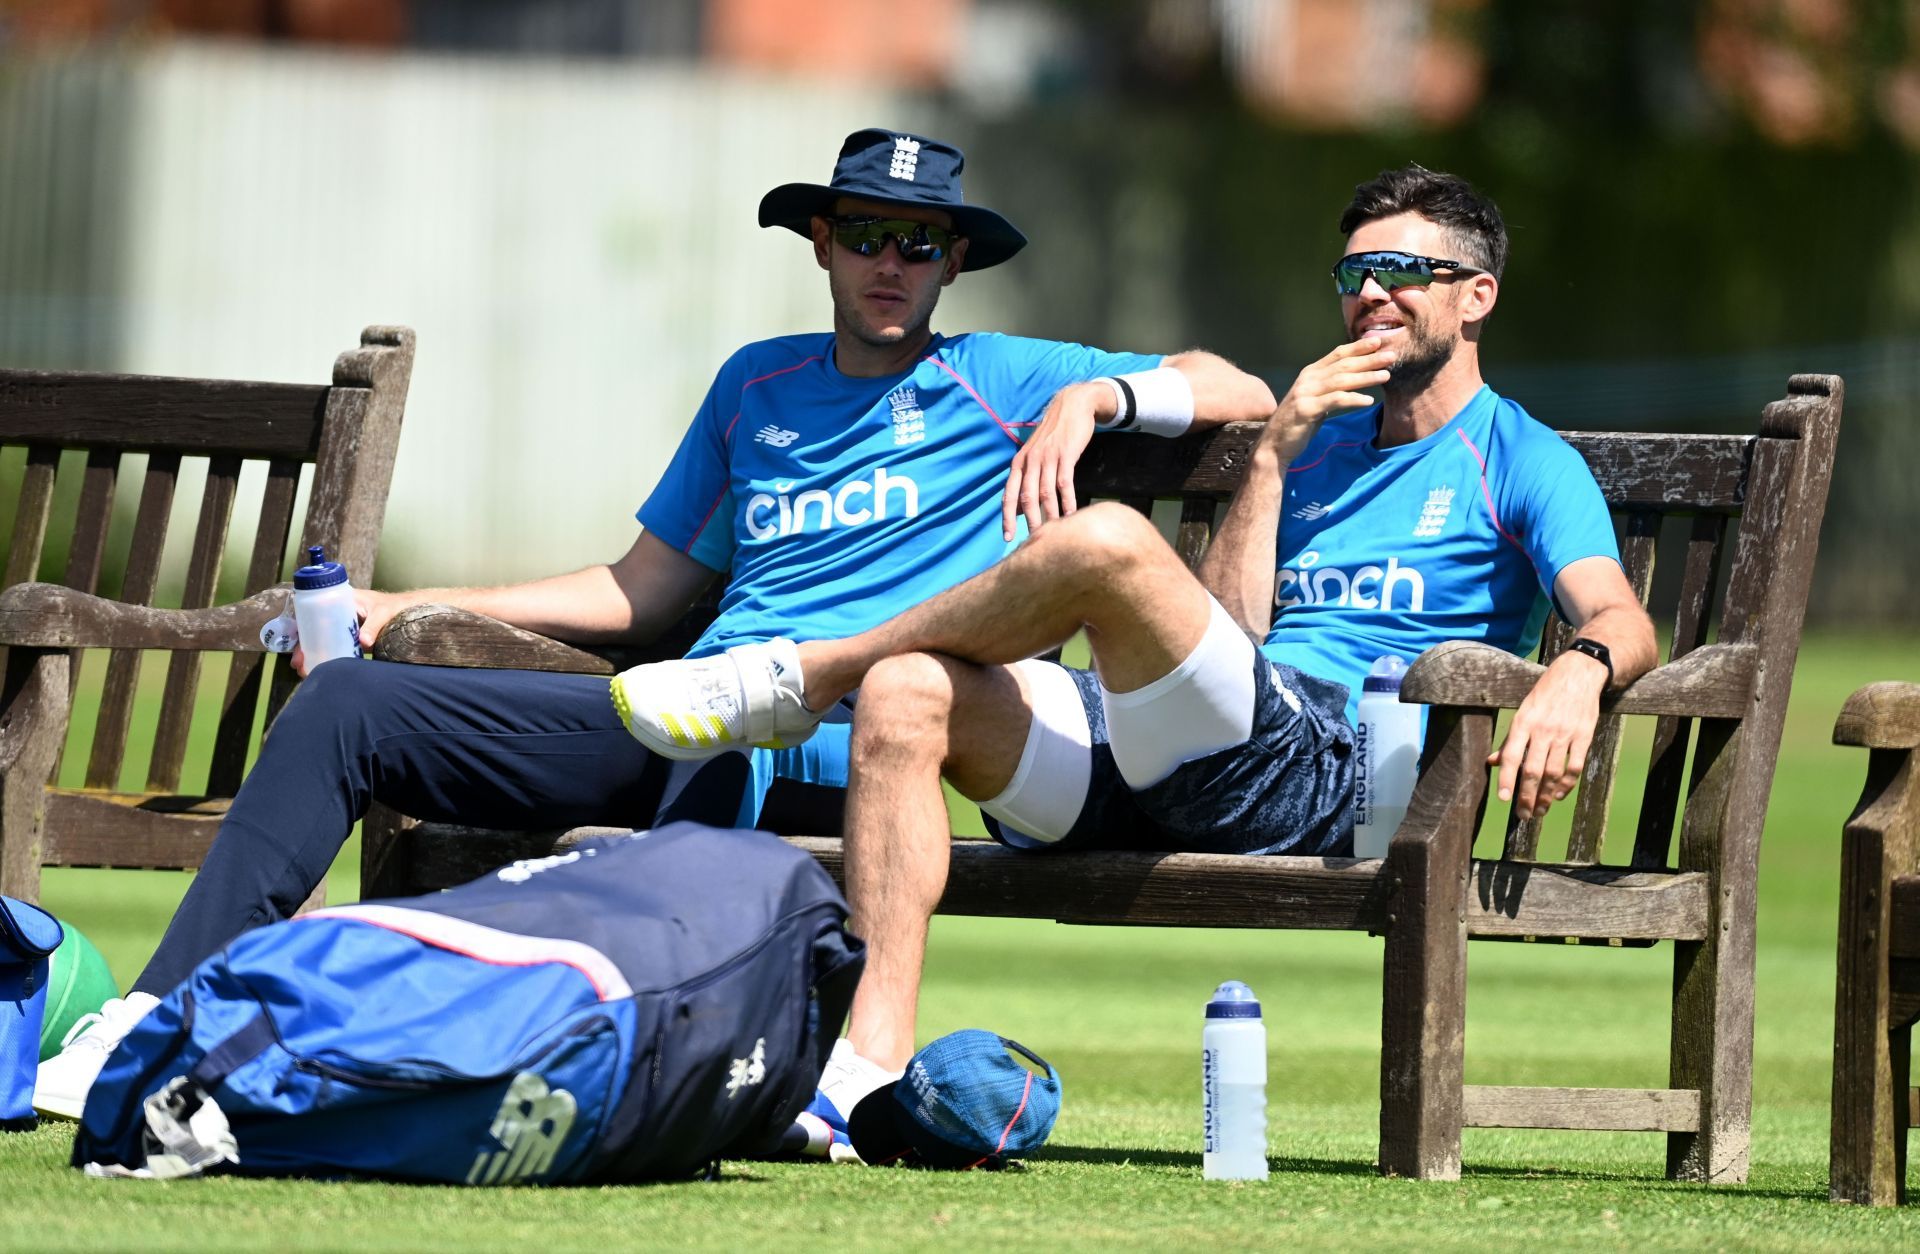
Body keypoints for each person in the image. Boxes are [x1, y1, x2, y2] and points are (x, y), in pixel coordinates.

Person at [33, 128, 1276, 1121]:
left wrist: (1103, 397)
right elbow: (637, 594)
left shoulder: (1002, 377)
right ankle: (161, 1024)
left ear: (953, 263)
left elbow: (1242, 391)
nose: (891, 263)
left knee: (662, 762)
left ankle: (315, 1051)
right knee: (353, 698)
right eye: (865, 236)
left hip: (836, 745)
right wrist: (403, 606)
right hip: (685, 708)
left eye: (919, 242)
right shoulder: (755, 384)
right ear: (822, 245)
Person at [612, 165, 1661, 1157]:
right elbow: (1235, 637)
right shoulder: (1320, 441)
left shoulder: (1520, 455)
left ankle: (809, 672)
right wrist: (1275, 458)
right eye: (1355, 273)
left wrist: (1577, 670)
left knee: (1107, 541)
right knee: (910, 691)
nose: (1373, 295)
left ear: (1475, 296)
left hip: (1343, 774)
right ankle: (858, 1076)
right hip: (1202, 747)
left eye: (1404, 273)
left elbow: (1617, 613)